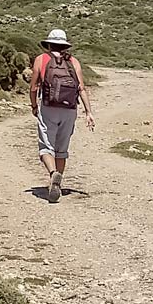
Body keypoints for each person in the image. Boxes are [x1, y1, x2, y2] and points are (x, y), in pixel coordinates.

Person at [29, 28, 94, 203]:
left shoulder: (41, 60)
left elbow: (34, 87)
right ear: (64, 45)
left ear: (48, 44)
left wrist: (34, 106)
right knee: (61, 149)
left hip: (49, 107)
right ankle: (57, 183)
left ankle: (53, 174)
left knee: (46, 147)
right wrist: (88, 112)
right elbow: (81, 88)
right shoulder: (73, 61)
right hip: (70, 109)